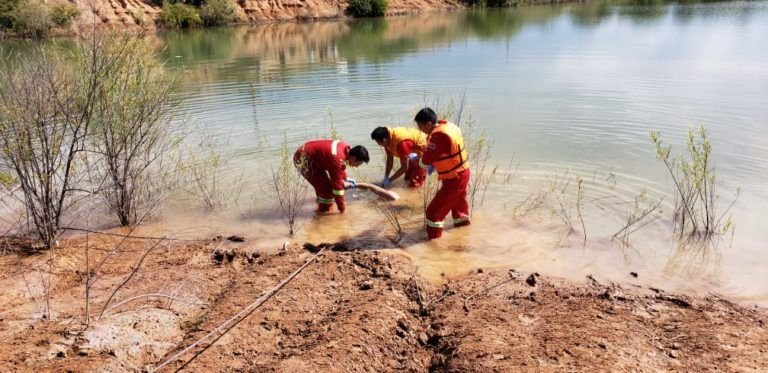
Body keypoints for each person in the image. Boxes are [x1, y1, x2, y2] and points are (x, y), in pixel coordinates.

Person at [414, 107, 470, 239]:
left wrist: (419, 160)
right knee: (459, 210)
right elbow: (443, 151)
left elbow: (426, 161)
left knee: (433, 212)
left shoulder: (439, 135)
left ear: (428, 124)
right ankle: (464, 236)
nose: (420, 130)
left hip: (454, 178)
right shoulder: (448, 126)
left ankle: (433, 244)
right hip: (463, 172)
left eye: (420, 127)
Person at [294, 139, 369, 213]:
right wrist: (342, 209)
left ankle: (321, 202)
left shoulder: (345, 148)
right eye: (358, 164)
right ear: (354, 158)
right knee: (326, 190)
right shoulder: (337, 159)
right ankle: (323, 212)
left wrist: (345, 178)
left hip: (309, 154)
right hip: (302, 160)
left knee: (323, 184)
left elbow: (340, 167)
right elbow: (337, 189)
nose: (357, 167)